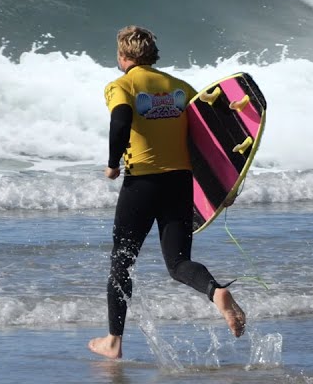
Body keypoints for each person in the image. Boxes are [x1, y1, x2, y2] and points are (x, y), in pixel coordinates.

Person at [87, 25, 246, 360]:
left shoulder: (122, 86)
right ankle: (214, 291)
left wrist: (113, 163)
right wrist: (223, 185)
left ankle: (113, 341)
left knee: (122, 262)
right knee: (178, 262)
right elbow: (211, 138)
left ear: (123, 56)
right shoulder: (180, 88)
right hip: (180, 184)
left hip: (142, 184)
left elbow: (120, 119)